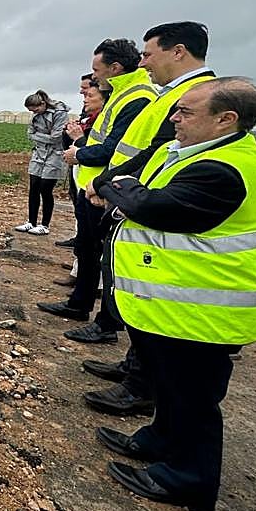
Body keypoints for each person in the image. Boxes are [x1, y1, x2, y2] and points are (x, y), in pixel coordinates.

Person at [94, 78, 256, 511]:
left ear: (225, 119)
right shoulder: (193, 152)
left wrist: (123, 191)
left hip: (209, 310)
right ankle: (161, 440)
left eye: (186, 112)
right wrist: (127, 190)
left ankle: (188, 478)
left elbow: (153, 206)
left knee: (192, 397)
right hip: (178, 305)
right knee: (170, 385)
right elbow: (133, 189)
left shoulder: (225, 169)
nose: (174, 118)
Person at [80, 21, 216, 411]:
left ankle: (141, 385)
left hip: (146, 202)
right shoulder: (167, 93)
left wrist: (106, 183)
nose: (143, 62)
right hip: (133, 196)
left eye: (148, 54)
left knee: (149, 292)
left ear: (178, 52)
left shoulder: (195, 97)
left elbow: (155, 152)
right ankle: (136, 370)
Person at [37, 38, 155, 330]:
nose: (93, 76)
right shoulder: (120, 93)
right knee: (87, 249)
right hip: (95, 186)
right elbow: (102, 139)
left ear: (115, 68)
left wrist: (79, 153)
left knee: (107, 256)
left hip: (109, 190)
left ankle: (107, 324)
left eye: (96, 69)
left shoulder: (138, 98)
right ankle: (79, 304)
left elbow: (113, 148)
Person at [53, 80, 108, 287]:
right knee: (83, 233)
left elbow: (99, 152)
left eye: (89, 94)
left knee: (93, 239)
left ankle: (91, 282)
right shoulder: (87, 120)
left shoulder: (102, 122)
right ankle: (79, 270)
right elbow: (68, 145)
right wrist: (70, 136)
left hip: (95, 184)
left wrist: (79, 139)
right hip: (83, 178)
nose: (84, 97)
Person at [14, 90, 69, 235]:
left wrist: (38, 136)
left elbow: (56, 138)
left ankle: (44, 225)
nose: (34, 113)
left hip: (54, 154)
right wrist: (44, 136)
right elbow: (29, 134)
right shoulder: (36, 115)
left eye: (36, 109)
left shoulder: (59, 113)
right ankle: (31, 222)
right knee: (34, 187)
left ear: (43, 104)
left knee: (45, 189)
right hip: (39, 152)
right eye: (32, 111)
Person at [55, 74, 95, 249]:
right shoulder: (86, 113)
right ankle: (79, 240)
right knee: (77, 204)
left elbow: (98, 148)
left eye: (86, 90)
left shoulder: (99, 116)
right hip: (79, 165)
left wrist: (78, 138)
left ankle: (81, 244)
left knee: (87, 215)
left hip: (90, 171)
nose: (82, 93)